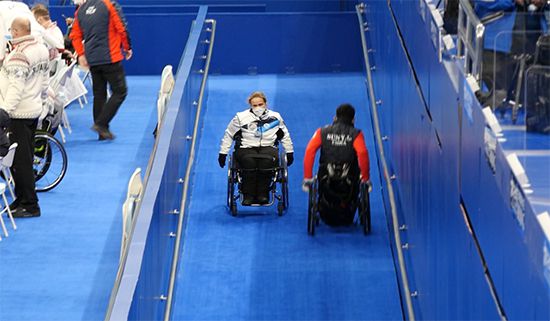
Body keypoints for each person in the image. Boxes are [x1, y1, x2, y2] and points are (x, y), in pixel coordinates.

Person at [0, 17, 49, 218]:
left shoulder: (19, 56)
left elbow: (15, 88)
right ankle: (21, 199)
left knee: (21, 162)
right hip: (33, 109)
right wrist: (42, 97)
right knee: (24, 158)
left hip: (18, 114)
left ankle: (30, 204)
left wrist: (4, 113)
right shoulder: (41, 49)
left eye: (11, 30)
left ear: (17, 32)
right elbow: (45, 81)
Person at [70, 0, 132, 140]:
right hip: (110, 57)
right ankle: (101, 124)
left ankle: (102, 133)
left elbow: (75, 35)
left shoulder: (81, 10)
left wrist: (81, 54)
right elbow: (121, 28)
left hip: (92, 58)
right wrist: (127, 47)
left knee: (99, 94)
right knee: (120, 91)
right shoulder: (110, 5)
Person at [218, 91, 294, 205]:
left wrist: (289, 151)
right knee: (248, 162)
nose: (258, 107)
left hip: (268, 146)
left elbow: (285, 135)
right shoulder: (240, 117)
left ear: (265, 104)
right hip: (246, 147)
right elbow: (229, 134)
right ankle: (248, 195)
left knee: (266, 162)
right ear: (250, 105)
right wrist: (223, 153)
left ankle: (263, 194)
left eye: (260, 104)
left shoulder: (275, 117)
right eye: (255, 105)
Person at [302, 104, 371, 226]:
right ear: (353, 120)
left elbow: (309, 151)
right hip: (349, 180)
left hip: (326, 177)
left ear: (335, 118)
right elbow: (362, 153)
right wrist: (365, 179)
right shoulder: (356, 134)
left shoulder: (322, 132)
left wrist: (307, 178)